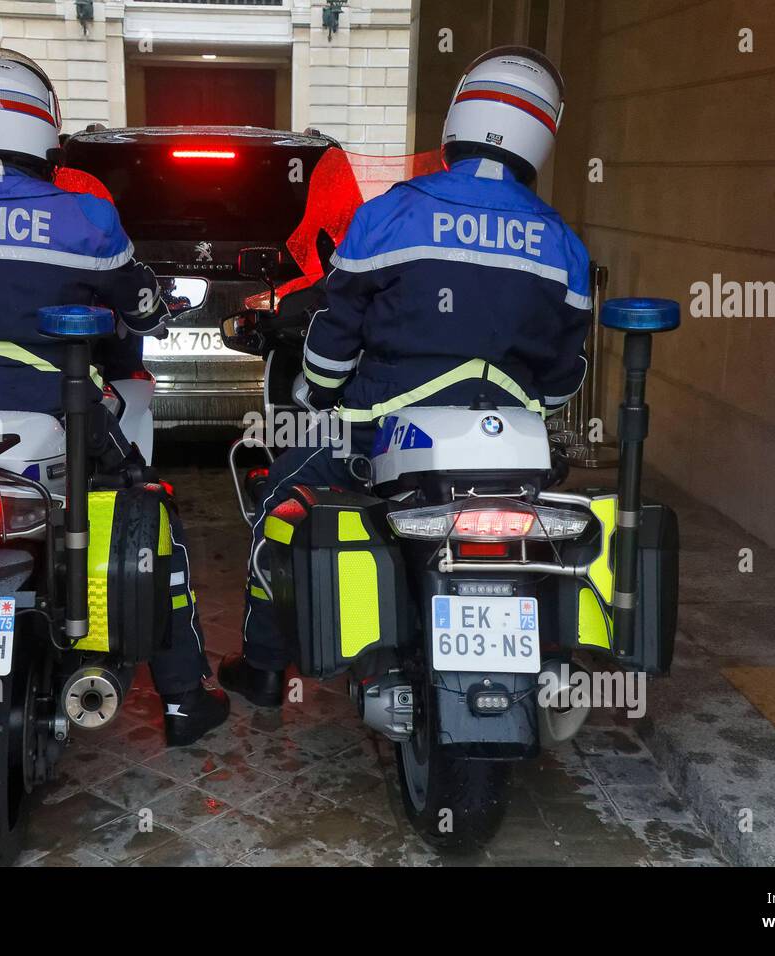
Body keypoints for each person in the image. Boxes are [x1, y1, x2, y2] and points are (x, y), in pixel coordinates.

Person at [0, 48, 228, 745]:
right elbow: (141, 304)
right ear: (45, 129)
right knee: (150, 519)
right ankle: (183, 697)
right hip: (57, 404)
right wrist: (151, 310)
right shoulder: (85, 220)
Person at [219, 46, 593, 706]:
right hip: (511, 451)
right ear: (544, 132)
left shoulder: (391, 213)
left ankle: (267, 670)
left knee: (280, 502)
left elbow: (336, 333)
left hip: (377, 436)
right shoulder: (563, 242)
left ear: (457, 120)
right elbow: (563, 376)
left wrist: (320, 388)